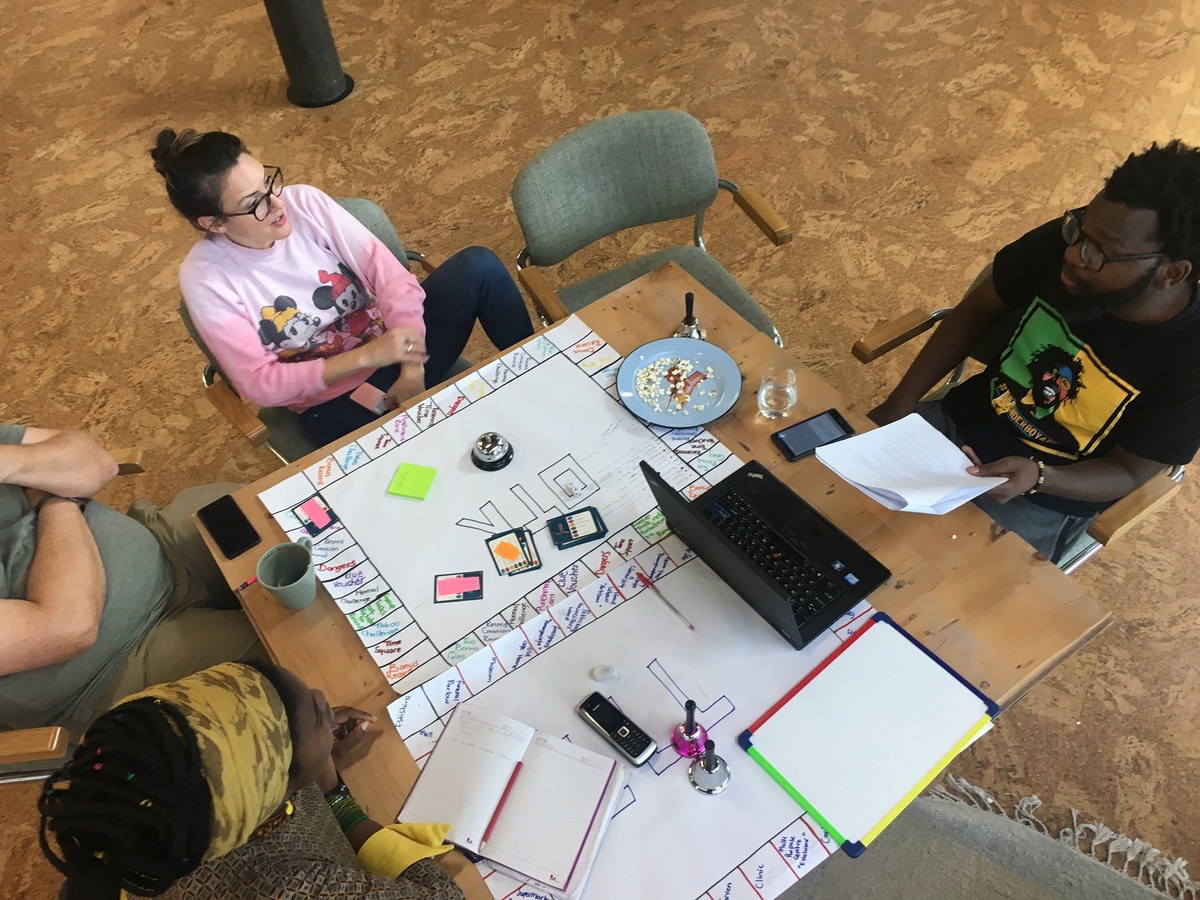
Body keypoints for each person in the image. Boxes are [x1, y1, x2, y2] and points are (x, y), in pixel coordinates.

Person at [869, 140, 1200, 564]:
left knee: (931, 602)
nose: (1072, 254)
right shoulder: (1074, 241)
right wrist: (902, 401)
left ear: (1170, 273)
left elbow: (1131, 471)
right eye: (1079, 229)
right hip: (949, 431)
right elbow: (975, 312)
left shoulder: (1190, 357)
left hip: (1040, 498)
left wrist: (1039, 476)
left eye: (1099, 252)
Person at [151, 128, 536, 447]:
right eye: (255, 203)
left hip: (403, 352)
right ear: (214, 224)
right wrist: (371, 357)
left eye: (268, 183)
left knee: (479, 265)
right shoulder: (206, 278)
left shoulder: (305, 202)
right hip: (336, 404)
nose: (277, 204)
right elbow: (262, 386)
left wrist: (411, 364)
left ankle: (539, 370)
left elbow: (393, 279)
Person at [38, 660, 464, 899]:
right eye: (317, 714)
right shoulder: (288, 888)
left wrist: (303, 745)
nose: (322, 696)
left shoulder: (172, 804)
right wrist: (337, 799)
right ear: (269, 791)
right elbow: (442, 895)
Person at [0, 424, 260, 732]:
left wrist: (9, 461)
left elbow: (96, 462)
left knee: (278, 509)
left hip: (160, 547)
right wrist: (54, 499)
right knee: (289, 659)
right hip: (116, 664)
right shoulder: (56, 501)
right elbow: (69, 626)